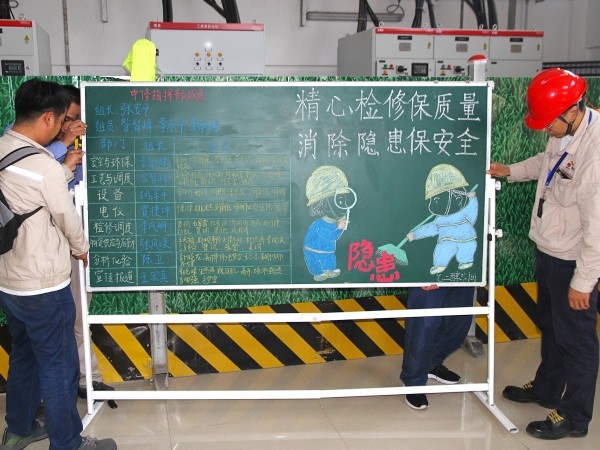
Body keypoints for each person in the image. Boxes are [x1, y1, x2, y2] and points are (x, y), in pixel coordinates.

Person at [0, 79, 116, 449]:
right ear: (48, 118)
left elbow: (29, 195)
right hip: (44, 284)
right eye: (62, 119)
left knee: (24, 356)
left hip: (9, 280)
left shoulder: (5, 148)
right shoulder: (41, 165)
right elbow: (65, 216)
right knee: (59, 365)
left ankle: (19, 429)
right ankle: (68, 443)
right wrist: (82, 249)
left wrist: (64, 168)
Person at [488, 68, 599, 440]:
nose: (545, 130)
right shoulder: (565, 132)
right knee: (551, 326)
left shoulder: (595, 154)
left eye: (549, 122)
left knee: (576, 338)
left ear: (572, 110)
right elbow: (546, 162)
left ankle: (575, 416)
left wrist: (583, 282)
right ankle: (548, 388)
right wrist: (510, 171)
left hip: (573, 260)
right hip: (551, 249)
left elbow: (598, 229)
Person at [51, 85, 116, 402]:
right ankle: (54, 391)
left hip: (77, 239)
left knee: (78, 312)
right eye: (69, 118)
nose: (74, 125)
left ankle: (87, 379)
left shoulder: (84, 142)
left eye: (77, 119)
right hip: (47, 244)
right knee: (50, 321)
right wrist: (62, 144)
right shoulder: (28, 143)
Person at [400, 285, 474, 410]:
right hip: (428, 274)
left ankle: (431, 364)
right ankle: (414, 381)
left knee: (459, 320)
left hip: (462, 275)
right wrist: (420, 275)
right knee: (424, 324)